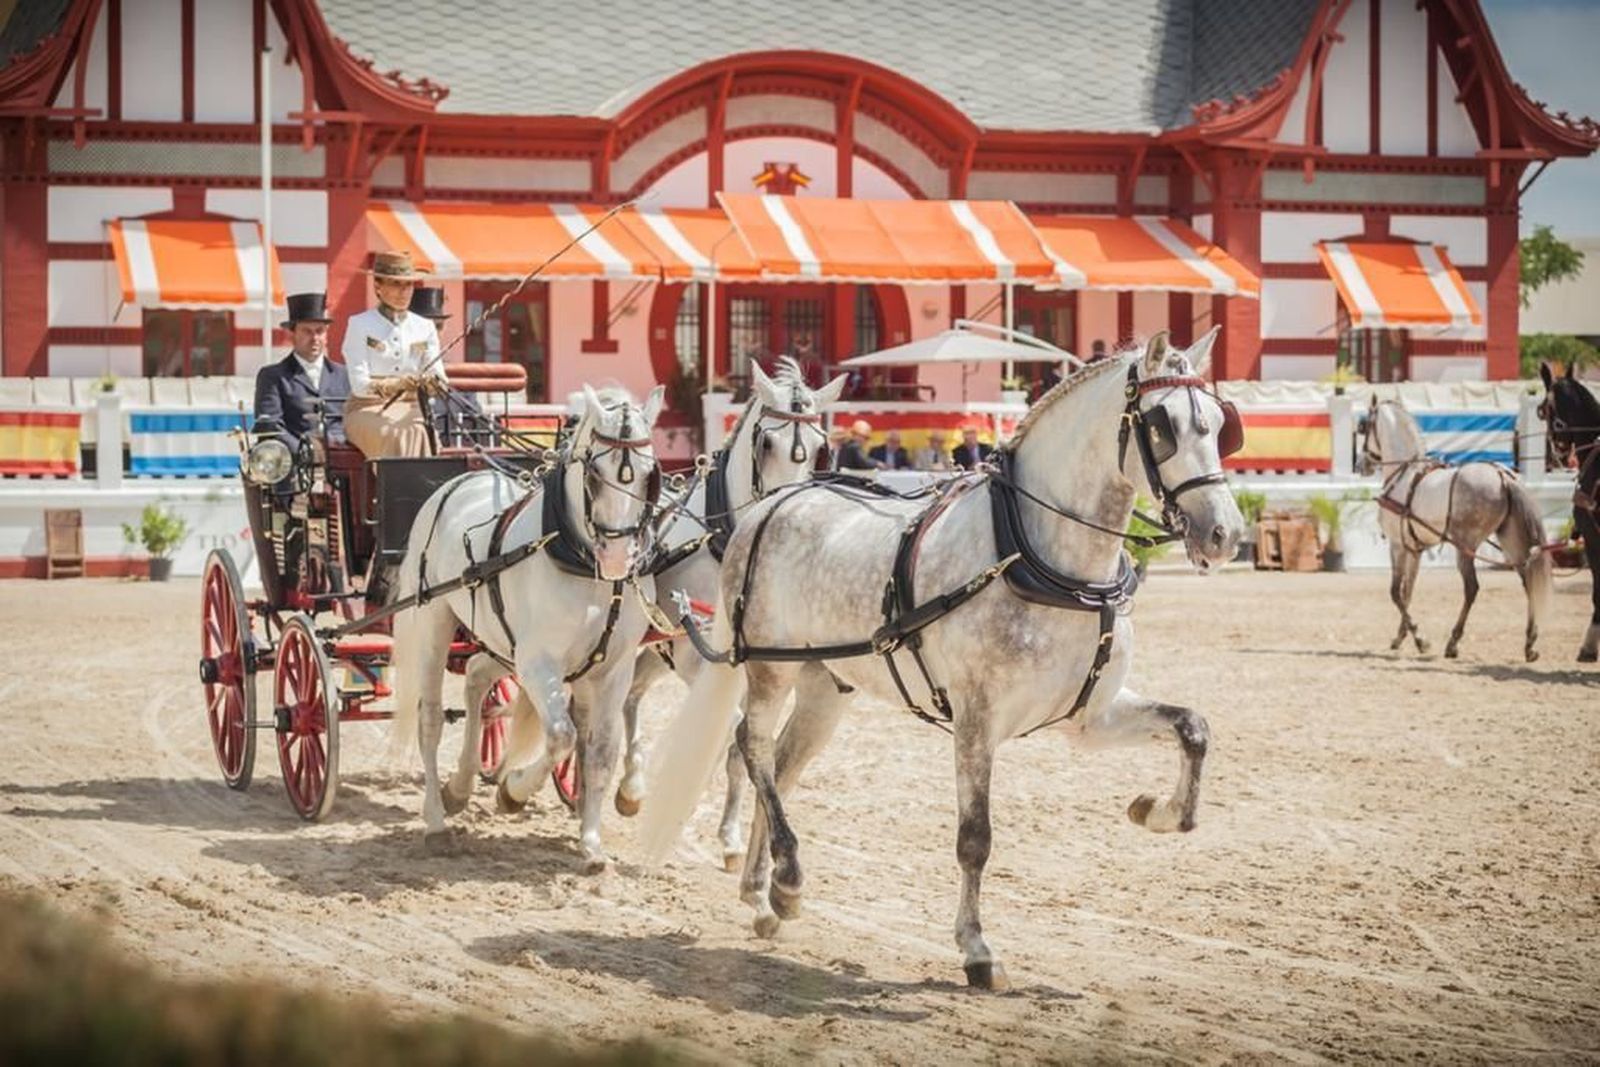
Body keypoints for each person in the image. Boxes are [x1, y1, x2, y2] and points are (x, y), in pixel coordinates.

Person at [341, 250, 446, 459]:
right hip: (366, 410)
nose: (404, 291)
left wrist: (433, 383)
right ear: (378, 286)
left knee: (421, 430)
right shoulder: (359, 324)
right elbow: (359, 385)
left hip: (412, 409)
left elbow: (439, 375)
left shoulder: (424, 327)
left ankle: (421, 491)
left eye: (408, 285)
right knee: (397, 433)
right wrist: (397, 384)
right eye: (396, 284)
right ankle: (395, 491)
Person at [252, 292, 348, 456]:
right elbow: (270, 426)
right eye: (307, 331)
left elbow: (352, 420)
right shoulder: (273, 376)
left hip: (341, 465)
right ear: (292, 335)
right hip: (293, 465)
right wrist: (305, 451)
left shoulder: (343, 374)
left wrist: (336, 447)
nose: (315, 338)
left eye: (320, 331)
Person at [408, 285, 483, 446]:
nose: (432, 334)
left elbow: (478, 430)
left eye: (438, 326)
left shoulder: (461, 380)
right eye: (423, 327)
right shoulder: (388, 373)